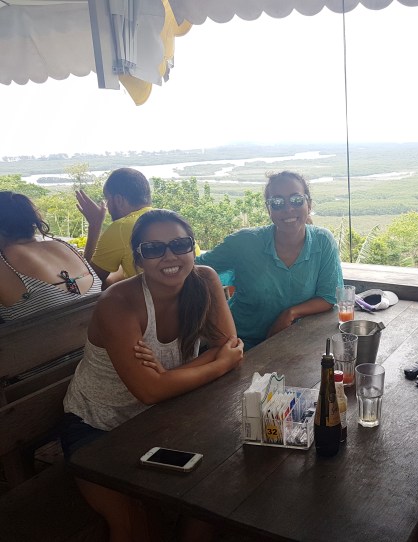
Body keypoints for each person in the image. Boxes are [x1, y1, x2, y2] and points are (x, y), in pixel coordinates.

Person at [61, 209, 244, 542]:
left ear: (193, 248)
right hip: (100, 427)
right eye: (154, 249)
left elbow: (227, 345)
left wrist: (166, 378)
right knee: (134, 525)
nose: (169, 256)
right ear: (139, 259)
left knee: (222, 486)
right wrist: (218, 365)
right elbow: (150, 392)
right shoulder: (118, 303)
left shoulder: (205, 280)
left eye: (180, 244)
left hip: (167, 415)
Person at [196, 171, 344, 349]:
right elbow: (195, 268)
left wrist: (290, 313)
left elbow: (328, 297)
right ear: (269, 209)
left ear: (309, 204)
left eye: (296, 200)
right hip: (239, 345)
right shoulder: (244, 242)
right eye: (277, 202)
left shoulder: (322, 241)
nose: (288, 209)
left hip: (291, 341)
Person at [0, 191, 101, 321]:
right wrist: (94, 226)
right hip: (96, 331)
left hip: (43, 334)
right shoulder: (64, 246)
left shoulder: (5, 262)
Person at [76, 167, 153, 288]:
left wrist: (95, 225)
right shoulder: (169, 218)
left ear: (118, 200)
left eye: (108, 199)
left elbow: (91, 282)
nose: (107, 206)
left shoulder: (121, 227)